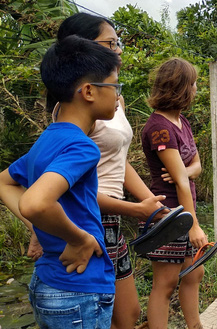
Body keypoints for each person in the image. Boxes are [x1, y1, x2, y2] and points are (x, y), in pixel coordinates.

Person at [38, 13, 169, 329]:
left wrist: (151, 203)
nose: (119, 50)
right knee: (94, 310)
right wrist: (135, 209)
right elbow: (57, 184)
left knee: (126, 314)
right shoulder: (75, 111)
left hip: (109, 218)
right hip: (85, 216)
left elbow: (117, 159)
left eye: (118, 43)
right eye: (110, 43)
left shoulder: (112, 99)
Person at [0, 35, 120, 328]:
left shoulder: (49, 138)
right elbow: (35, 202)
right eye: (115, 86)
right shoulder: (82, 146)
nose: (118, 96)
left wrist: (39, 229)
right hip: (78, 289)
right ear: (89, 91)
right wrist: (79, 238)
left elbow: (4, 182)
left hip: (47, 283)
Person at [141, 57, 208, 329]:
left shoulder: (182, 121)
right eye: (192, 84)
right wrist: (193, 226)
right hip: (167, 215)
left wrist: (186, 171)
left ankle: (196, 326)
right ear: (179, 87)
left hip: (184, 209)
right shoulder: (159, 128)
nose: (195, 90)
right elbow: (178, 183)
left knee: (195, 272)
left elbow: (197, 166)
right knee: (165, 283)